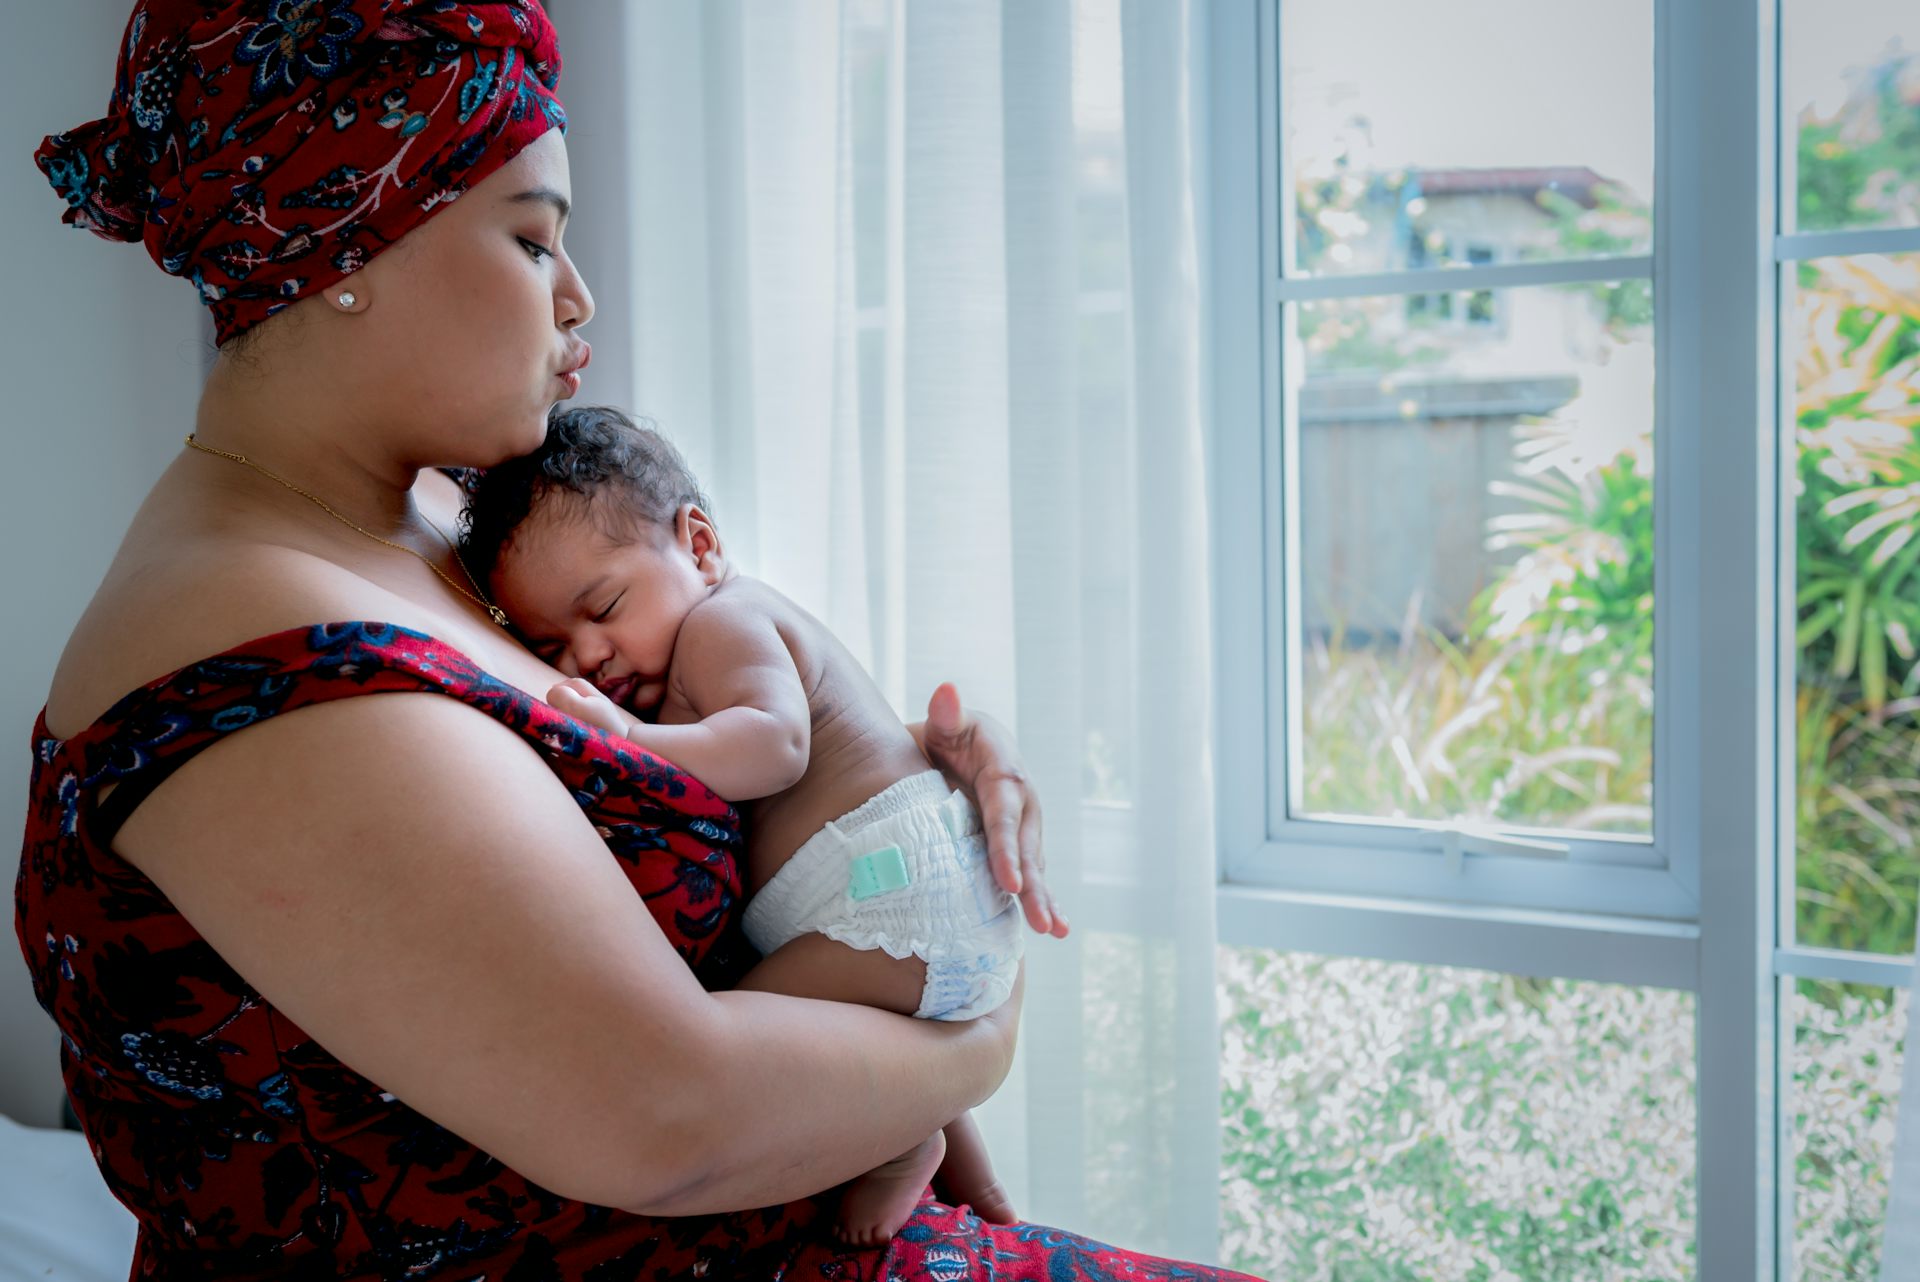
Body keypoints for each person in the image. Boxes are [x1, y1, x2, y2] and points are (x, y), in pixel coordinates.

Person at [16, 3, 1266, 1279]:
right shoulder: (248, 648)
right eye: (531, 239)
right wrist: (979, 1013)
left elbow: (730, 695)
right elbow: (671, 1119)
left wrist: (913, 778)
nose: (578, 296)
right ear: (348, 237)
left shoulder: (454, 531)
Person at [462, 404, 1052, 1245]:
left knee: (756, 1051)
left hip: (882, 892)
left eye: (605, 606)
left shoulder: (721, 623)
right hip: (909, 895)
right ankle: (981, 1194)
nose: (586, 657)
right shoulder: (705, 634)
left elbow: (773, 746)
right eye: (551, 646)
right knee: (883, 1041)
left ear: (699, 547)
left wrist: (632, 739)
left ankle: (902, 1141)